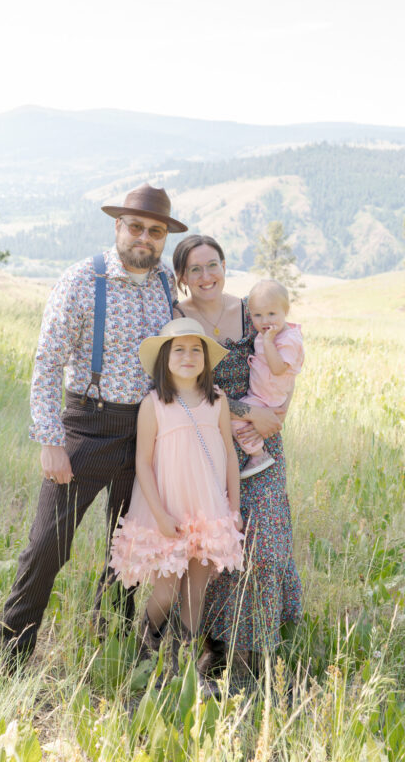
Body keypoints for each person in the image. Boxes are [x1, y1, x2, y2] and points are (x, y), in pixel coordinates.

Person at [0, 184, 187, 668]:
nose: (144, 237)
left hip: (146, 433)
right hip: (86, 425)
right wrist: (50, 440)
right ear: (118, 226)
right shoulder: (82, 280)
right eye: (136, 227)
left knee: (127, 552)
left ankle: (113, 652)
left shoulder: (166, 282)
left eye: (155, 231)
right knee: (46, 548)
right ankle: (10, 659)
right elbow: (47, 361)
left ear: (164, 237)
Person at [172, 235, 302, 673]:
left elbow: (287, 358)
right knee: (217, 545)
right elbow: (184, 389)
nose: (206, 276)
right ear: (182, 278)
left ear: (225, 266)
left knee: (263, 545)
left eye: (213, 265)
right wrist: (249, 410)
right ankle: (217, 646)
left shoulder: (252, 309)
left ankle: (258, 650)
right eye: (195, 269)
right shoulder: (177, 319)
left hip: (259, 445)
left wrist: (277, 408)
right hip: (204, 443)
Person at [110, 318, 243, 659]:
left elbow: (229, 454)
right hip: (167, 510)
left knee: (195, 593)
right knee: (167, 592)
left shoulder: (217, 400)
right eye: (179, 350)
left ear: (205, 359)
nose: (188, 356)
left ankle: (180, 662)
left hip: (208, 510)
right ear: (165, 359)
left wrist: (234, 508)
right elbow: (143, 462)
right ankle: (145, 644)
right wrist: (159, 514)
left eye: (196, 350)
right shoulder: (154, 404)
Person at [233, 279, 305, 479]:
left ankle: (258, 455)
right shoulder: (268, 333)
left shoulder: (288, 339)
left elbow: (279, 368)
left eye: (272, 314)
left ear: (285, 311)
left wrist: (268, 342)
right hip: (261, 393)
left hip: (268, 398)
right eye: (258, 315)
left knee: (233, 420)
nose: (265, 321)